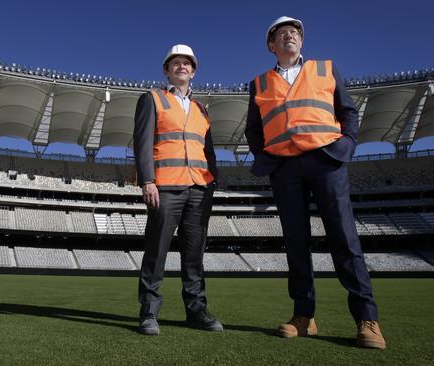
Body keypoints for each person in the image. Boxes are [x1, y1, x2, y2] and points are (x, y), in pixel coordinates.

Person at [244, 16, 386, 349]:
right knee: (296, 242)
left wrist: (346, 144)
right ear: (271, 44)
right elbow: (253, 128)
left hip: (326, 161)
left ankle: (367, 319)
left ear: (301, 41)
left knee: (344, 237)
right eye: (282, 33)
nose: (290, 35)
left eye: (295, 32)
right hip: (285, 167)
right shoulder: (259, 83)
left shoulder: (326, 68)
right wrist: (267, 158)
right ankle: (303, 316)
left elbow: (348, 111)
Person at [133, 44, 222, 335]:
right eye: (176, 63)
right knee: (156, 251)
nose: (182, 67)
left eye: (187, 63)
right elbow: (143, 142)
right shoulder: (153, 99)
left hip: (199, 188)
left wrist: (212, 183)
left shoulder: (201, 109)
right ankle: (148, 313)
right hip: (166, 187)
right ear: (166, 70)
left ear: (193, 71)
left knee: (194, 255)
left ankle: (196, 311)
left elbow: (208, 150)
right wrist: (147, 180)